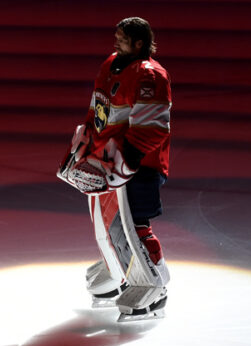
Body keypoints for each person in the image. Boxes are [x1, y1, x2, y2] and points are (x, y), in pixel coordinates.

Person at [58, 17, 171, 318]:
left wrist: (125, 162)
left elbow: (152, 128)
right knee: (104, 220)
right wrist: (85, 143)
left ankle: (153, 284)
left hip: (138, 165)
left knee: (134, 225)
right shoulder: (110, 64)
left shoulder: (150, 76)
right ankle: (119, 269)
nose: (115, 40)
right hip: (103, 157)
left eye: (122, 38)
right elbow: (99, 107)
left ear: (139, 43)